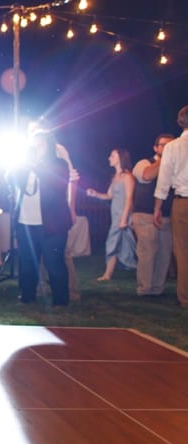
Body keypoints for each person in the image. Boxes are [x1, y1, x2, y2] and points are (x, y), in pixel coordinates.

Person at [12, 131, 72, 306]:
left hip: (52, 223)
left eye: (40, 145)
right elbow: (11, 179)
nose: (35, 148)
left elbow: (57, 185)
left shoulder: (58, 164)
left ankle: (60, 300)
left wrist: (36, 166)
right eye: (33, 145)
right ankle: (27, 296)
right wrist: (20, 165)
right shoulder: (25, 166)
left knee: (54, 263)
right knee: (27, 262)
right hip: (26, 222)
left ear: (49, 146)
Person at [154, 105, 188, 309]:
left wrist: (157, 207)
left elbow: (164, 180)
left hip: (182, 202)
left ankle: (185, 297)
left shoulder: (173, 147)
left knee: (183, 252)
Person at [132, 134, 174, 296]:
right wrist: (164, 159)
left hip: (167, 216)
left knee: (164, 253)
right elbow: (146, 175)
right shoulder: (144, 162)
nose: (167, 149)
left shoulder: (175, 165)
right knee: (148, 251)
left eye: (170, 146)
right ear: (156, 148)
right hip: (145, 215)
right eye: (163, 145)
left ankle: (157, 288)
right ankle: (144, 288)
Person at [87, 148, 137, 281]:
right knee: (119, 244)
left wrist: (124, 219)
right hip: (116, 216)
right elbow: (109, 196)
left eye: (112, 155)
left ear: (121, 158)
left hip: (122, 216)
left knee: (117, 243)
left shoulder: (127, 177)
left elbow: (129, 198)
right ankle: (108, 274)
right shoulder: (115, 178)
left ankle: (109, 274)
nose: (109, 158)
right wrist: (95, 194)